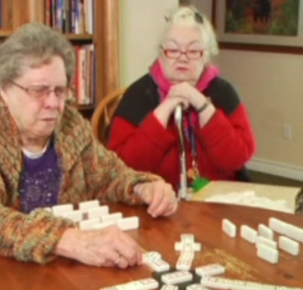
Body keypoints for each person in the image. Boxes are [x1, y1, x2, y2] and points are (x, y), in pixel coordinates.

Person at [0, 23, 178, 268]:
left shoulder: (70, 126)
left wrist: (143, 187)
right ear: (5, 89)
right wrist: (71, 240)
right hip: (4, 273)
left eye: (60, 90)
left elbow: (109, 175)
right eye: (38, 90)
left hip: (67, 272)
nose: (53, 103)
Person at [108, 6, 256, 191]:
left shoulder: (224, 92)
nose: (183, 58)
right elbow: (122, 167)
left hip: (218, 199)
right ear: (161, 54)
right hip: (156, 203)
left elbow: (237, 158)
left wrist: (202, 105)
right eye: (173, 49)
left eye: (193, 51)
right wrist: (165, 109)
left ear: (206, 55)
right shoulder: (139, 94)